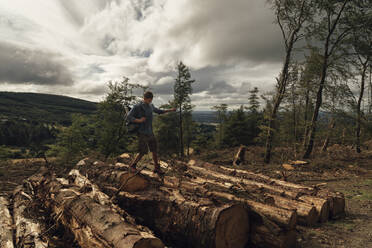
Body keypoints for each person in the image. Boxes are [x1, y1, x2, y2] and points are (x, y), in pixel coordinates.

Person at [126, 91, 176, 175]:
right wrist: (139, 120)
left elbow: (159, 111)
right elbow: (129, 116)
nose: (149, 101)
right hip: (141, 132)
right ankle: (132, 166)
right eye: (148, 100)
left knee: (154, 150)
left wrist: (170, 110)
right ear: (144, 98)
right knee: (143, 151)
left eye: (150, 100)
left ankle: (156, 168)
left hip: (150, 132)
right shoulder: (137, 106)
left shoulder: (151, 106)